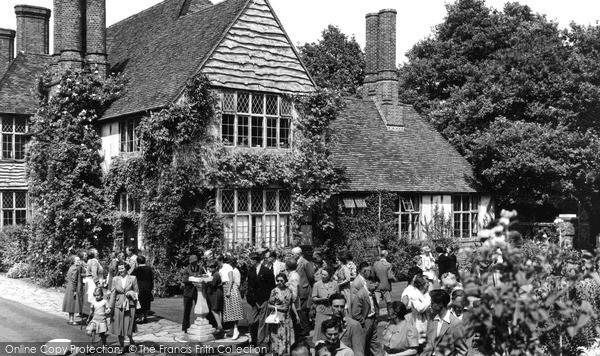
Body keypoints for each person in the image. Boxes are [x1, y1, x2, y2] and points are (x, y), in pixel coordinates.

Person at [421, 289, 468, 356]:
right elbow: (429, 344)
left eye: (432, 303)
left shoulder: (455, 323)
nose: (430, 305)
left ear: (440, 304)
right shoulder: (432, 320)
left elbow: (463, 351)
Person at [247, 251, 276, 348]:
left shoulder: (267, 271)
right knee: (252, 321)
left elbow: (272, 286)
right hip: (253, 301)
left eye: (251, 260)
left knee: (262, 322)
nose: (249, 262)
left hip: (263, 300)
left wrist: (268, 299)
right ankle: (254, 340)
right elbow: (249, 285)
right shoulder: (250, 270)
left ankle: (260, 342)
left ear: (255, 260)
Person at [109, 261, 139, 353]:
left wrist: (132, 293)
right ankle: (122, 346)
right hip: (119, 305)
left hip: (130, 305)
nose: (120, 270)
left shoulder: (133, 278)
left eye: (122, 268)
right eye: (119, 268)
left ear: (126, 269)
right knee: (119, 326)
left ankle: (129, 343)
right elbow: (113, 293)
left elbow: (137, 292)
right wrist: (111, 307)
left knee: (128, 325)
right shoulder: (115, 279)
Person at [401, 274, 430, 352]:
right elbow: (420, 308)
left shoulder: (424, 294)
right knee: (420, 346)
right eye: (427, 282)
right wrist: (428, 300)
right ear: (422, 284)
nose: (429, 284)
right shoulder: (414, 295)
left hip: (424, 322)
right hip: (418, 323)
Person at [351, 276, 380, 356]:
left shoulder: (371, 292)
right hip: (366, 321)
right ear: (370, 283)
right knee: (363, 344)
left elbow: (374, 306)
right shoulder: (361, 294)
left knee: (375, 344)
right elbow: (355, 313)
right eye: (375, 286)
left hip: (373, 320)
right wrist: (363, 322)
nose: (376, 288)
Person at [268, 273, 295, 355]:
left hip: (288, 317)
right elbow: (269, 305)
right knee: (279, 335)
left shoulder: (289, 290)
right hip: (278, 317)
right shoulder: (274, 291)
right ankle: (278, 352)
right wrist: (280, 308)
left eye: (281, 281)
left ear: (285, 281)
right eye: (278, 281)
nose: (279, 282)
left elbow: (292, 303)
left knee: (287, 334)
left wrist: (296, 315)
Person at [312, 266, 339, 343]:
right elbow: (313, 298)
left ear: (329, 275)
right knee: (321, 330)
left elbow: (338, 296)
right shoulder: (317, 285)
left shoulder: (335, 284)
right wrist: (321, 299)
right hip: (321, 310)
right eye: (322, 274)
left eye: (325, 275)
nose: (323, 276)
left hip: (332, 310)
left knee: (331, 329)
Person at [220, 255, 243, 340]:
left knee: (234, 311)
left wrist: (231, 291)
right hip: (226, 288)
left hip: (233, 290)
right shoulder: (224, 269)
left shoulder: (235, 271)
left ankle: (236, 330)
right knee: (229, 311)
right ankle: (232, 329)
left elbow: (237, 283)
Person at [293, 246, 314, 337]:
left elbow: (311, 276)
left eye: (292, 254)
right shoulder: (296, 262)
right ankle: (302, 328)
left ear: (298, 254)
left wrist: (308, 286)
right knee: (299, 310)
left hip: (304, 289)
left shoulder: (305, 263)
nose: (291, 256)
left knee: (303, 310)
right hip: (298, 289)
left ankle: (306, 329)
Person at [181, 254, 206, 332]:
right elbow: (185, 280)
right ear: (190, 262)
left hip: (197, 292)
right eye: (192, 262)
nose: (194, 263)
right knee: (187, 310)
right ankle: (185, 327)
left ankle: (201, 325)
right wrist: (194, 278)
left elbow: (204, 276)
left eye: (195, 262)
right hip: (188, 292)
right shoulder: (186, 269)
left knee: (200, 308)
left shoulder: (201, 268)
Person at [373, 250, 396, 318]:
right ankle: (389, 316)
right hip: (386, 286)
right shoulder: (388, 265)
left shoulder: (375, 264)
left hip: (377, 286)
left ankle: (376, 317)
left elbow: (373, 275)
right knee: (389, 302)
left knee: (376, 302)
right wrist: (394, 279)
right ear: (386, 255)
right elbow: (390, 276)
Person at [131, 255, 153, 324]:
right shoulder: (149, 269)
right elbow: (151, 279)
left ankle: (140, 318)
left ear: (137, 262)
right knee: (146, 303)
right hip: (147, 287)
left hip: (139, 288)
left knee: (139, 303)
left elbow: (131, 277)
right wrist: (151, 287)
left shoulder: (137, 269)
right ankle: (145, 317)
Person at [206, 261, 224, 335]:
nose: (209, 269)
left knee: (214, 309)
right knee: (218, 309)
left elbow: (213, 284)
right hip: (219, 292)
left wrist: (207, 280)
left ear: (215, 267)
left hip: (216, 292)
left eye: (211, 267)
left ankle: (219, 327)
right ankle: (220, 327)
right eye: (209, 267)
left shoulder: (216, 274)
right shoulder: (215, 273)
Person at [63, 255, 81, 325]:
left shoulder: (71, 268)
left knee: (70, 303)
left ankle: (70, 319)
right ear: (74, 261)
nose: (79, 262)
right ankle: (72, 320)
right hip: (73, 287)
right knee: (72, 303)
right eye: (77, 260)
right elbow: (74, 280)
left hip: (69, 286)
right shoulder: (75, 269)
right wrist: (74, 290)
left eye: (79, 260)